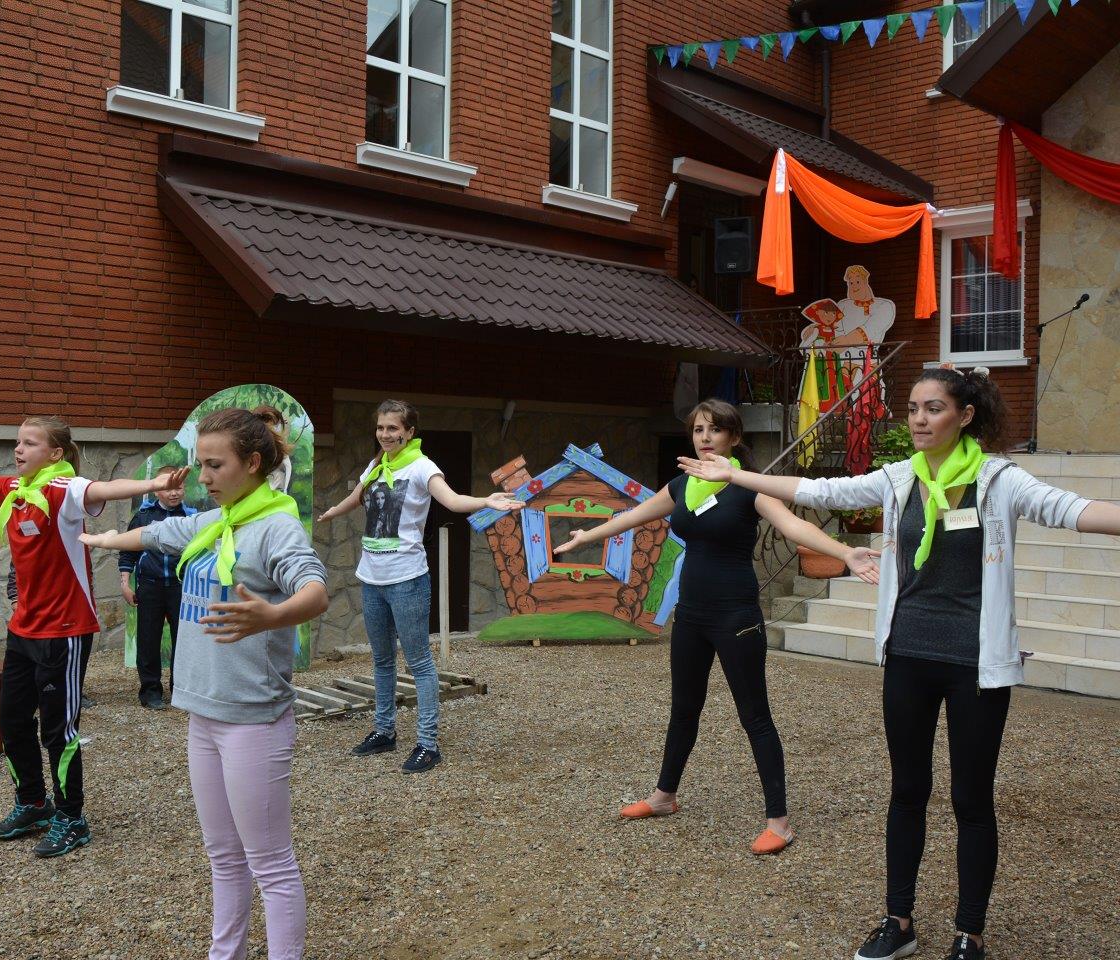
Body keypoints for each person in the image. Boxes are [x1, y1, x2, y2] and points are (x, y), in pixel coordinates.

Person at [681, 368, 1120, 960]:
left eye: (933, 408)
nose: (918, 418)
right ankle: (899, 922)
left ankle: (969, 932)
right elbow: (820, 492)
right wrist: (734, 474)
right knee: (907, 792)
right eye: (912, 408)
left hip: (975, 665)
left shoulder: (999, 480)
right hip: (909, 656)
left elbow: (1074, 510)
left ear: (965, 416)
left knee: (971, 800)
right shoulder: (899, 478)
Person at [554, 400, 878, 854]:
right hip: (691, 614)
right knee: (684, 708)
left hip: (735, 616)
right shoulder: (682, 485)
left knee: (755, 716)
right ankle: (664, 796)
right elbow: (635, 515)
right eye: (698, 429)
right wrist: (587, 536)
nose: (705, 437)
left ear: (734, 437)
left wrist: (844, 552)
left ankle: (779, 821)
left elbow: (793, 527)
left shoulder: (748, 486)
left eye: (715, 429)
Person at [80, 406, 327, 960]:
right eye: (201, 465)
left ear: (253, 463)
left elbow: (315, 590)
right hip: (204, 716)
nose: (205, 477)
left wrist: (272, 615)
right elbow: (159, 533)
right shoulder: (216, 522)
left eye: (216, 465)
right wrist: (104, 542)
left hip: (253, 720)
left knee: (270, 864)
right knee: (223, 857)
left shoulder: (276, 527)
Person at [0, 416, 188, 858]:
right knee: (13, 722)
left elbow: (106, 488)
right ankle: (33, 803)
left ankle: (72, 817)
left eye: (29, 443)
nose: (18, 449)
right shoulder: (16, 490)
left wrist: (154, 484)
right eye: (18, 442)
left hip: (65, 631)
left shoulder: (64, 490)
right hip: (23, 629)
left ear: (54, 453)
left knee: (59, 730)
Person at [318, 399, 523, 773]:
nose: (385, 434)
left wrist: (486, 500)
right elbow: (358, 495)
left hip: (407, 579)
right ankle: (384, 731)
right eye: (381, 427)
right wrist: (334, 511)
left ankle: (428, 744)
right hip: (372, 579)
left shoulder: (422, 466)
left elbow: (452, 500)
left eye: (393, 428)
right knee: (382, 659)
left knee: (419, 663)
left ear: (409, 432)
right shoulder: (377, 465)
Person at [118, 465, 195, 709]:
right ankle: (150, 692)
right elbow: (128, 551)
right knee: (148, 640)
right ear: (157, 490)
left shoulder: (191, 517)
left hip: (181, 587)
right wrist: (125, 584)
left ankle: (181, 691)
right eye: (169, 488)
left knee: (184, 639)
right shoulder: (143, 516)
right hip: (150, 587)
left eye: (179, 487)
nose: (174, 493)